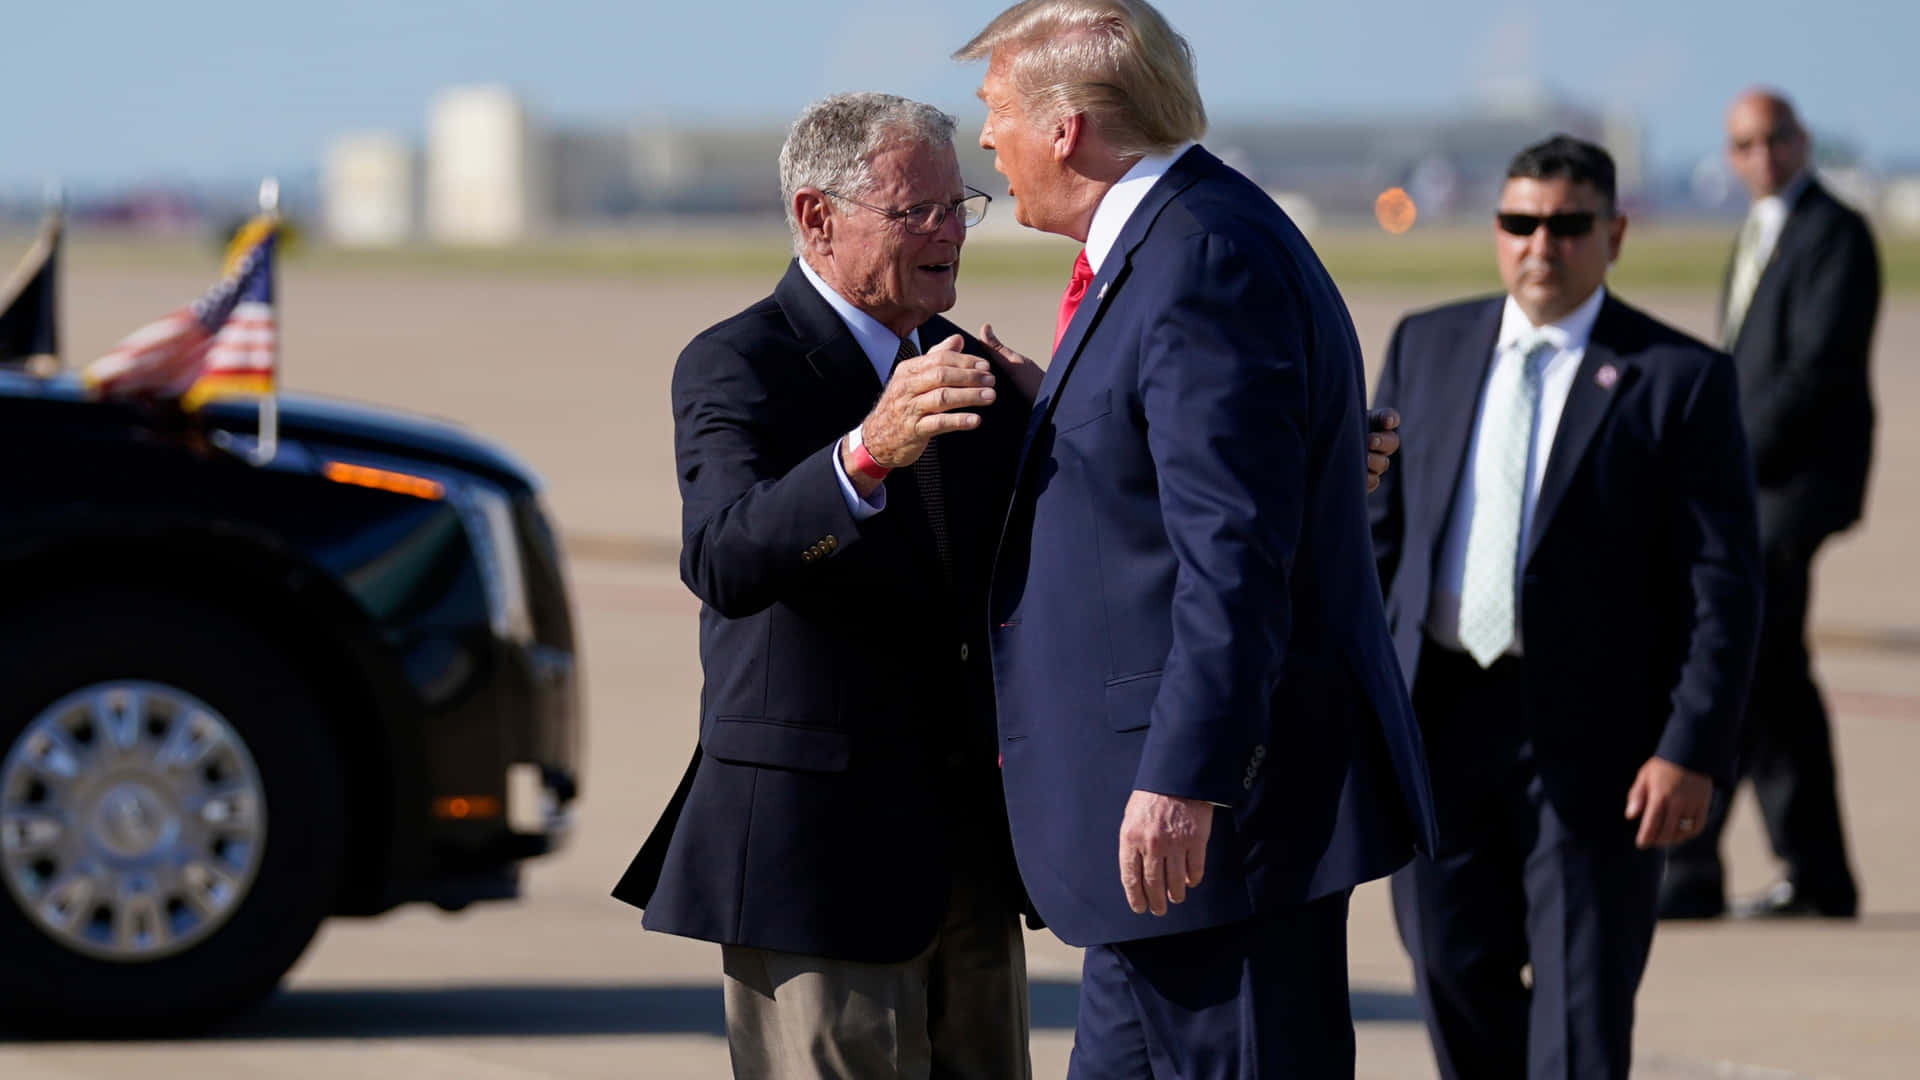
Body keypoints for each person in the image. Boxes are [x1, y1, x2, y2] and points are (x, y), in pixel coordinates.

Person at [611, 90, 1403, 1079]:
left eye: (960, 205)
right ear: (817, 216)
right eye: (916, 213)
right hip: (820, 863)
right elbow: (724, 556)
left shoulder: (974, 371)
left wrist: (1300, 463)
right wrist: (863, 455)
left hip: (975, 858)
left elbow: (1119, 513)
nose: (950, 233)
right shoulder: (741, 364)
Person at [954, 2, 1437, 1075]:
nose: (985, 141)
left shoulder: (1202, 259)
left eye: (993, 112)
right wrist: (1058, 414)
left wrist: (1188, 777)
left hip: (1213, 837)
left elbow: (1233, 557)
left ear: (1067, 125)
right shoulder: (1174, 243)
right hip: (1159, 868)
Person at [1369, 135, 1763, 1080]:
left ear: (1614, 232)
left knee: (1583, 1016)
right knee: (1451, 975)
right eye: (1520, 222)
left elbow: (1726, 585)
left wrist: (1691, 748)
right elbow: (1375, 540)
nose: (1540, 245)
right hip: (1442, 724)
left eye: (1567, 224)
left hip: (1601, 751)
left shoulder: (1680, 379)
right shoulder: (1428, 342)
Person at [1660, 88, 1880, 922]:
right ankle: (1820, 875)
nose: (1762, 156)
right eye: (1745, 144)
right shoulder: (1757, 229)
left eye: (1775, 139)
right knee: (1779, 684)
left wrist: (1721, 459)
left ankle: (1689, 866)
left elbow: (1814, 376)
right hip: (1751, 485)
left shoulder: (1834, 233)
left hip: (1789, 491)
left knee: (1747, 672)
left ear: (1803, 139)